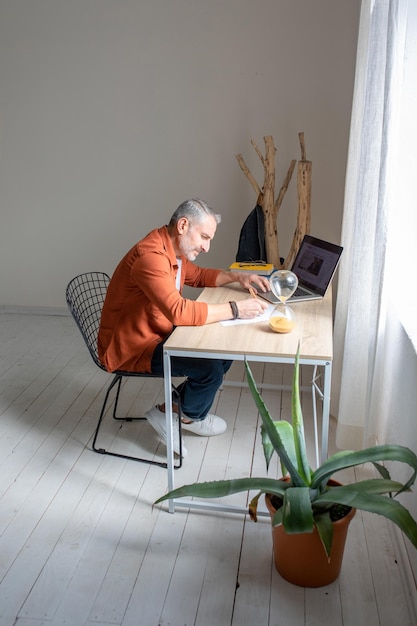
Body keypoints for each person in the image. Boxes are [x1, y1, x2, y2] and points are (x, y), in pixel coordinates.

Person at [98, 198, 269, 457]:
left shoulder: (171, 248)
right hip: (133, 348)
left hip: (156, 333)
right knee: (210, 369)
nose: (206, 246)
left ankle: (185, 413)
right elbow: (179, 312)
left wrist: (238, 276)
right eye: (203, 237)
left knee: (223, 348)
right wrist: (236, 309)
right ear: (183, 225)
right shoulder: (151, 258)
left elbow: (199, 276)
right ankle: (180, 414)